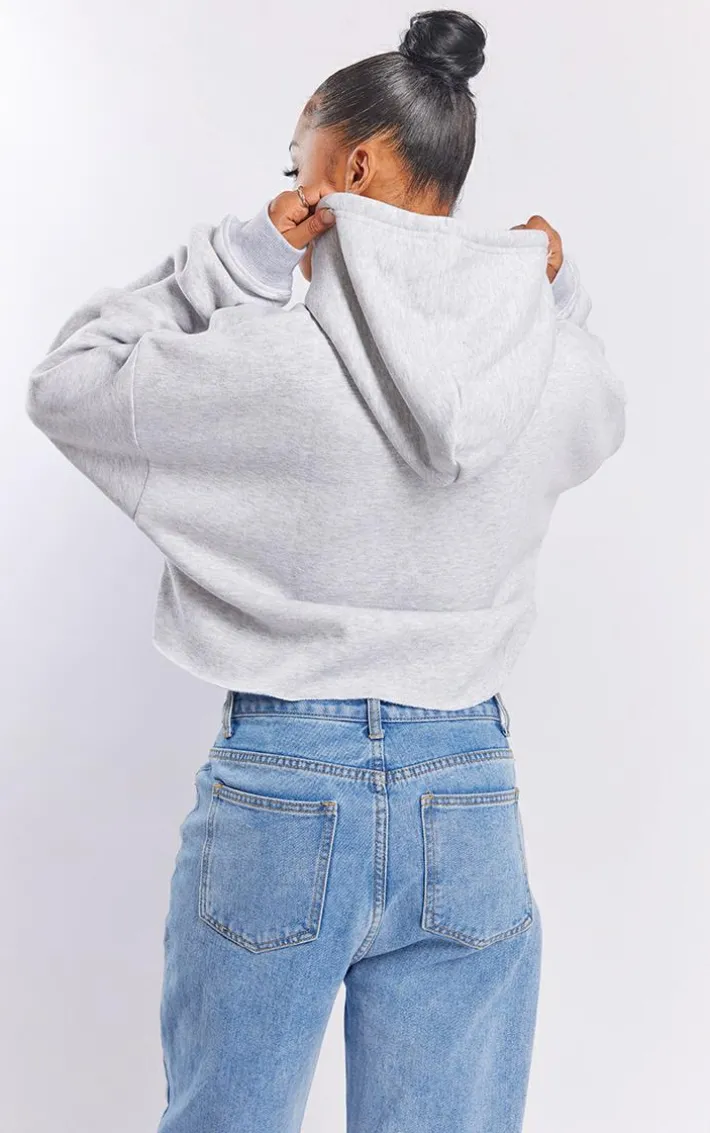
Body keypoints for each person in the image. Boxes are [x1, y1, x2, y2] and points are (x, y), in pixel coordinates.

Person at [25, 8, 626, 1132]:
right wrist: (550, 289)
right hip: (467, 788)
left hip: (284, 784)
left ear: (349, 167)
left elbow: (70, 383)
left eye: (294, 160)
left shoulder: (268, 362)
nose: (290, 185)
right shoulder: (552, 377)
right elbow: (603, 397)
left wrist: (240, 259)